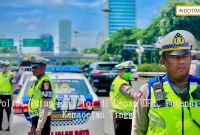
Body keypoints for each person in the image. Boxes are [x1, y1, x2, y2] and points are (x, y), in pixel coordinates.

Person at [131, 30, 200, 135]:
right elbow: (138, 131)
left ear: (190, 58)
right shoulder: (148, 91)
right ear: (163, 61)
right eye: (175, 57)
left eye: (185, 56)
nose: (181, 61)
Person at [27, 56, 56, 135]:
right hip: (36, 119)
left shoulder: (45, 82)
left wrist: (39, 126)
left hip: (42, 120)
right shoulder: (38, 81)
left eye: (36, 67)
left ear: (43, 67)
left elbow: (45, 106)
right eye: (32, 67)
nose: (33, 70)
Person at [110, 61, 138, 135]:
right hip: (124, 116)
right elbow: (133, 95)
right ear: (120, 72)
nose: (128, 73)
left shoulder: (116, 81)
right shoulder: (122, 84)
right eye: (126, 71)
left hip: (119, 113)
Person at [0, 61, 17, 131]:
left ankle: (10, 127)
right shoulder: (0, 74)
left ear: (7, 67)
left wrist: (12, 94)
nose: (4, 68)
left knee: (8, 112)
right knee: (0, 112)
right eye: (3, 66)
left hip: (7, 96)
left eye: (5, 66)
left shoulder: (10, 75)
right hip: (0, 96)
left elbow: (14, 84)